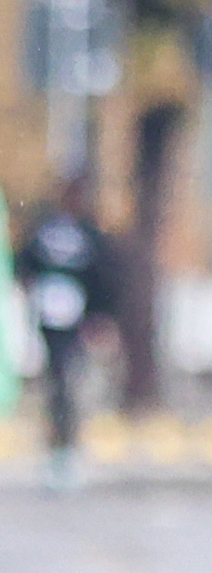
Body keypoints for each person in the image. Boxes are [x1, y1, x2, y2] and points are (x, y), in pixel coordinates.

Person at [17, 179, 120, 490]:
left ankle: (69, 449)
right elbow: (25, 263)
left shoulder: (90, 234)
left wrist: (100, 317)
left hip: (77, 322)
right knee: (57, 386)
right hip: (48, 320)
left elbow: (102, 277)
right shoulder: (46, 230)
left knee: (71, 385)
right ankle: (56, 450)